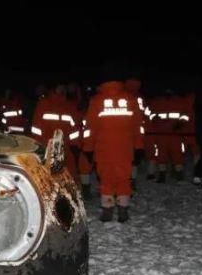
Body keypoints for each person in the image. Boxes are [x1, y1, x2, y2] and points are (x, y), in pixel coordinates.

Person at [83, 80, 143, 222]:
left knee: (106, 180)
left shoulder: (97, 100)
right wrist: (139, 146)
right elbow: (138, 126)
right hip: (125, 150)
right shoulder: (131, 99)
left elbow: (90, 128)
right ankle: (123, 211)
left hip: (103, 150)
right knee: (123, 180)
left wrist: (88, 148)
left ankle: (107, 211)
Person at [31, 84, 80, 178]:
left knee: (66, 179)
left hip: (65, 150)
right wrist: (39, 148)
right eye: (61, 86)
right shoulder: (44, 103)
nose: (63, 89)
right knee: (48, 179)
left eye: (64, 87)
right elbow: (36, 128)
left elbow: (74, 130)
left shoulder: (69, 106)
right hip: (47, 149)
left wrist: (75, 146)